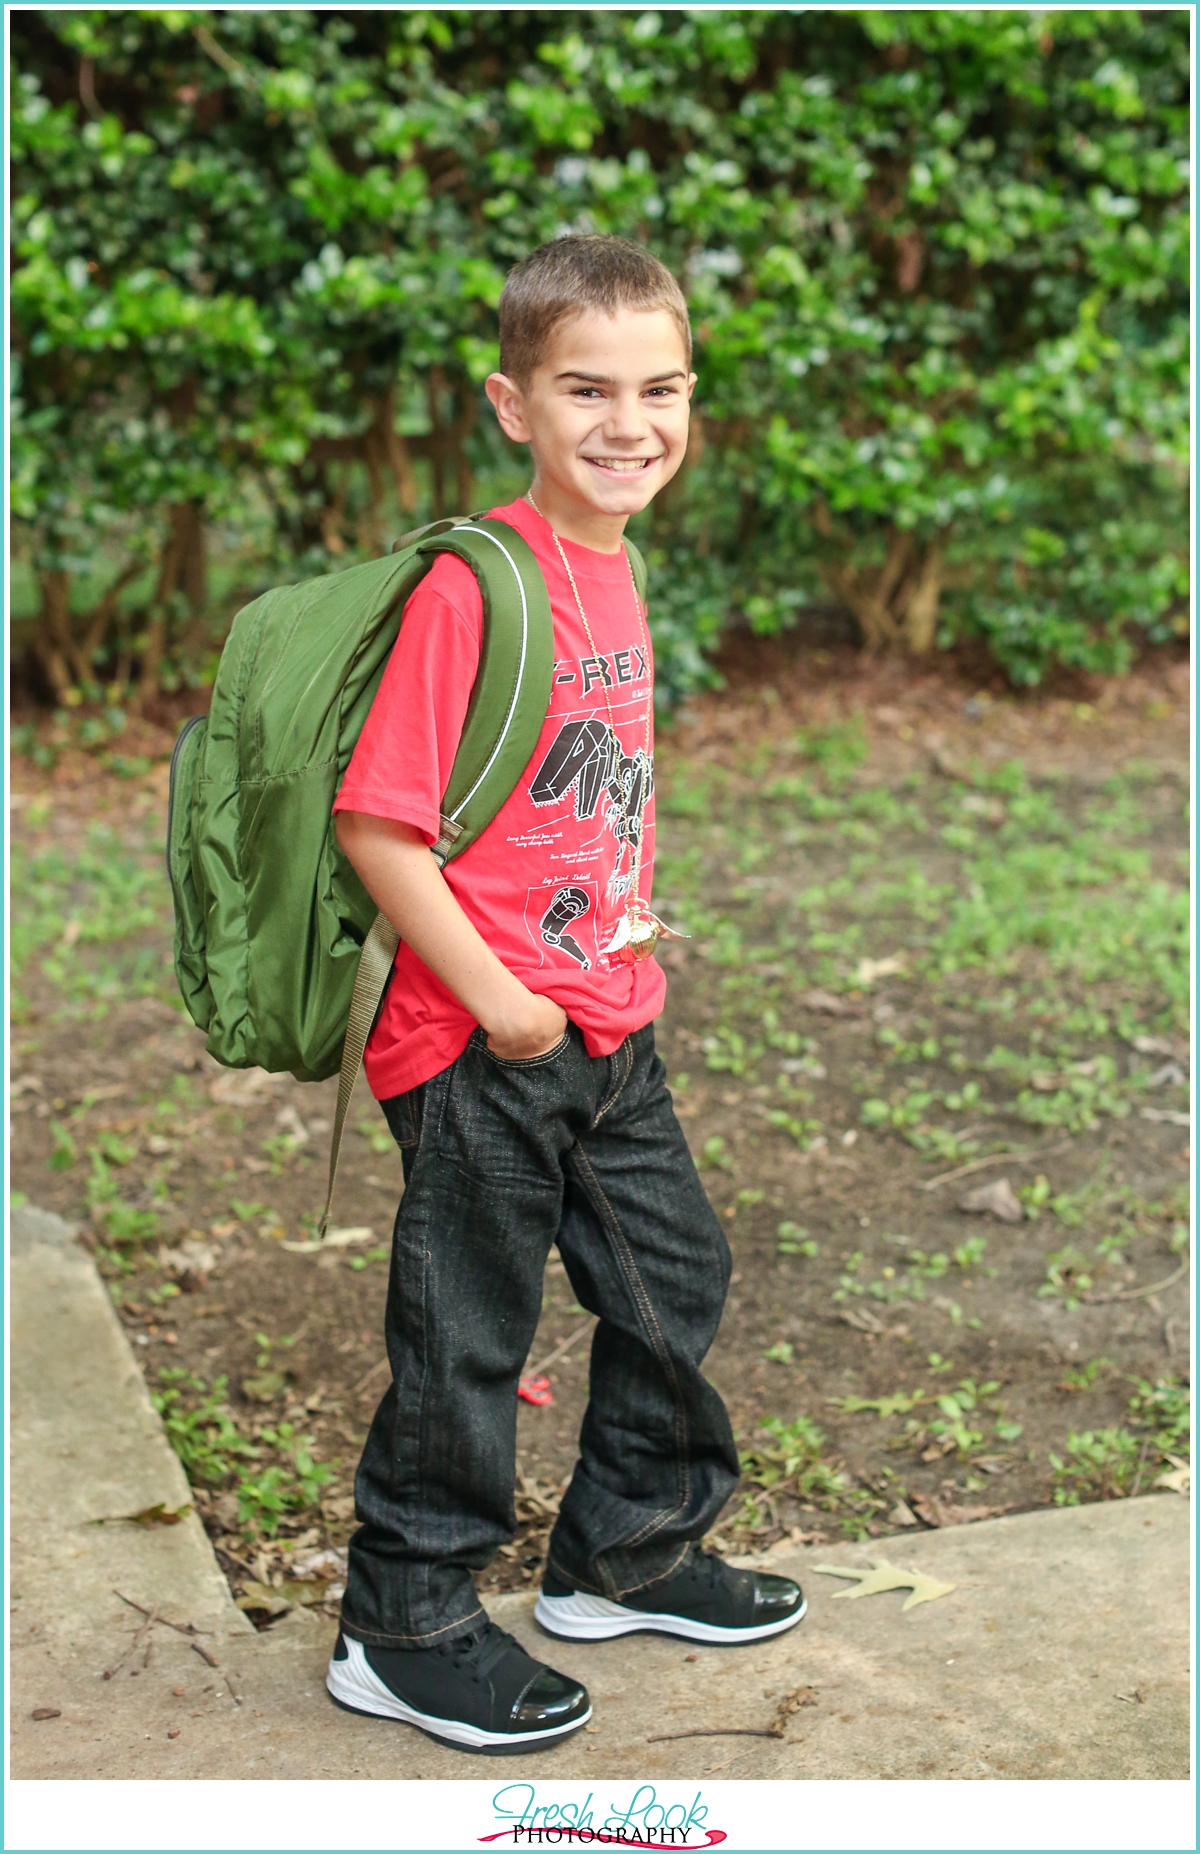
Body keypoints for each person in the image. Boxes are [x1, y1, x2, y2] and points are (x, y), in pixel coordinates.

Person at [325, 235, 804, 1755]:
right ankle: (402, 1624)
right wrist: (498, 996)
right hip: (479, 1040)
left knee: (677, 1275)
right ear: (512, 401)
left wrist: (620, 933)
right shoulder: (480, 587)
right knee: (467, 1336)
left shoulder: (617, 562)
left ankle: (628, 1550)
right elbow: (378, 823)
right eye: (586, 386)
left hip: (607, 1014)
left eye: (661, 387)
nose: (630, 420)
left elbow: (586, 793)